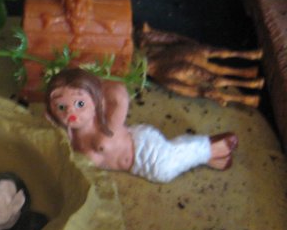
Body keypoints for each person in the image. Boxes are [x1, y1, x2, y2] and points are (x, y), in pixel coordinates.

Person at [45, 68, 238, 183]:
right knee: (172, 155)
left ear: (94, 100)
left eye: (80, 104)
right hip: (135, 158)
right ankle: (207, 154)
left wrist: (98, 85)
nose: (71, 112)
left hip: (142, 152)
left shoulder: (106, 125)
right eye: (61, 107)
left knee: (166, 169)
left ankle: (209, 147)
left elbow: (120, 96)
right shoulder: (71, 133)